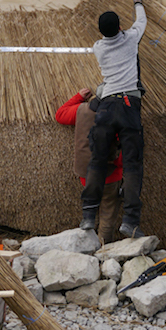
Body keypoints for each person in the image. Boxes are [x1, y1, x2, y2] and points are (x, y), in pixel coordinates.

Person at [80, 0, 147, 238]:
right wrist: (137, 1)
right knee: (132, 165)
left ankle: (88, 214)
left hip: (106, 107)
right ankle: (130, 220)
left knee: (97, 160)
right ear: (120, 27)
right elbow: (142, 20)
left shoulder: (98, 48)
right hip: (129, 105)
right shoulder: (131, 38)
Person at [55, 87, 122, 243]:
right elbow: (124, 147)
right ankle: (103, 249)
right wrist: (120, 167)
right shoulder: (119, 116)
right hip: (110, 174)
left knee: (89, 209)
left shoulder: (81, 110)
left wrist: (79, 96)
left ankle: (88, 246)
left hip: (85, 172)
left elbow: (60, 115)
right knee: (107, 213)